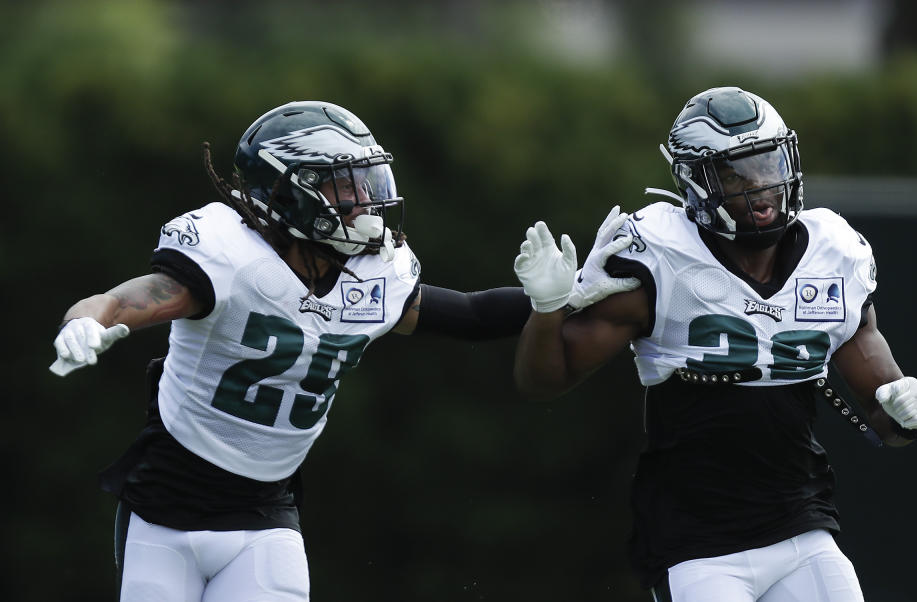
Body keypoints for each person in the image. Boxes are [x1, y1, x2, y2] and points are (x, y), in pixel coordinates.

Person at [49, 100, 632, 602]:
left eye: (364, 181)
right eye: (341, 184)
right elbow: (125, 299)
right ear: (285, 191)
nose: (362, 200)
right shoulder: (228, 256)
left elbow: (472, 315)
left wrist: (563, 296)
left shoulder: (373, 277)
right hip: (163, 509)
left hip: (264, 516)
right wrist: (87, 322)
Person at [512, 87, 917, 601]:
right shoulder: (664, 256)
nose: (762, 186)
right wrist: (546, 308)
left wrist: (906, 414)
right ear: (695, 182)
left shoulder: (833, 253)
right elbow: (545, 380)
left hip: (801, 528)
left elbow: (886, 420)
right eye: (736, 173)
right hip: (695, 544)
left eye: (768, 163)